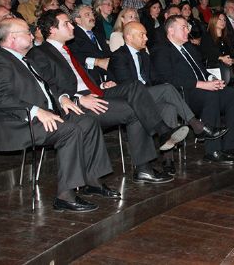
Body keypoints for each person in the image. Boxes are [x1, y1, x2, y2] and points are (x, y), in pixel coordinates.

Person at [27, 10, 188, 184]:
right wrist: (77, 98)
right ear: (52, 30)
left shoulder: (67, 50)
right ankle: (148, 161)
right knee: (135, 109)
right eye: (66, 23)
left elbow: (79, 77)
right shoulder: (40, 53)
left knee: (134, 86)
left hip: (95, 92)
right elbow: (47, 86)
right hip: (75, 103)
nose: (72, 25)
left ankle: (161, 135)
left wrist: (101, 85)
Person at [0, 17, 117, 212]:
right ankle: (65, 196)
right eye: (27, 33)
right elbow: (2, 99)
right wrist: (36, 111)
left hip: (45, 114)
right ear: (12, 37)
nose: (31, 35)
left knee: (87, 121)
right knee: (70, 131)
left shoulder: (24, 59)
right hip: (17, 122)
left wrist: (63, 99)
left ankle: (92, 180)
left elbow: (48, 88)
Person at [108, 22, 229, 174]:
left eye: (146, 34)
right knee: (166, 89)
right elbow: (127, 85)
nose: (146, 38)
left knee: (169, 105)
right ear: (129, 37)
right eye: (142, 35)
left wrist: (160, 88)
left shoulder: (144, 56)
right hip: (131, 99)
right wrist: (159, 89)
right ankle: (197, 126)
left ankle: (168, 159)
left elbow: (155, 79)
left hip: (147, 96)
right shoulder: (119, 56)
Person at [151, 15, 234, 165]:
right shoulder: (162, 50)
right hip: (183, 95)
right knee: (211, 95)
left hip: (202, 89)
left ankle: (231, 146)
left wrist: (211, 79)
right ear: (170, 30)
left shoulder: (189, 47)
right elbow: (166, 80)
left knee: (233, 95)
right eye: (183, 27)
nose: (187, 30)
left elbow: (202, 70)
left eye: (187, 27)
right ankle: (212, 150)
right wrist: (201, 84)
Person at [200, 13, 234, 83]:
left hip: (228, 66)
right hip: (214, 65)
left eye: (224, 20)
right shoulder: (207, 37)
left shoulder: (227, 38)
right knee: (226, 70)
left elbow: (233, 53)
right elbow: (205, 54)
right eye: (220, 19)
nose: (223, 22)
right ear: (213, 21)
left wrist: (232, 60)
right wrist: (221, 58)